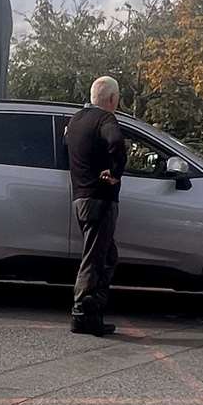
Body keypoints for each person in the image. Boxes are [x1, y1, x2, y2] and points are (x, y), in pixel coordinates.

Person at [64, 76, 126, 337]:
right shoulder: (106, 120)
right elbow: (116, 143)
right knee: (95, 259)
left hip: (81, 197)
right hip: (100, 199)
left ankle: (94, 309)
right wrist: (115, 172)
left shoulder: (75, 120)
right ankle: (83, 315)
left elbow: (65, 142)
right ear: (112, 99)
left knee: (107, 256)